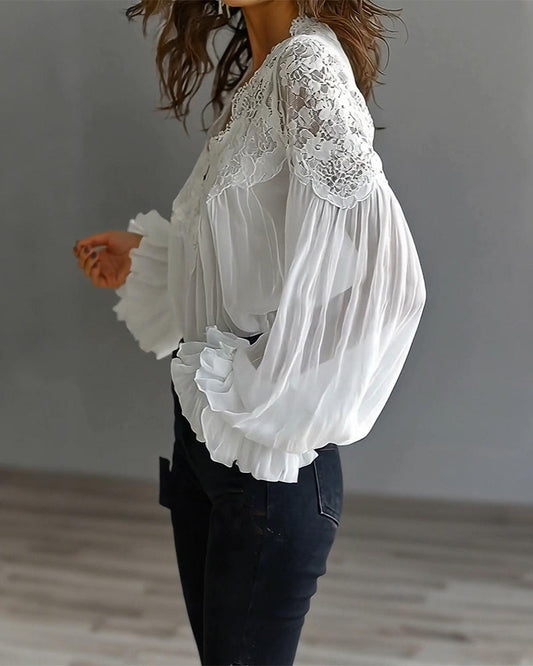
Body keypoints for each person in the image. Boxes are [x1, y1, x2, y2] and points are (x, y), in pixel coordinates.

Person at [73, 1, 427, 664]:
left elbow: (389, 278)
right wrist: (147, 254)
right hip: (203, 445)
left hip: (266, 465)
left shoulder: (307, 67)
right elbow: (255, 260)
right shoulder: (261, 80)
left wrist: (268, 395)